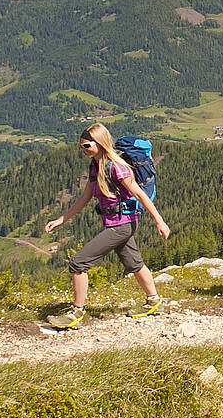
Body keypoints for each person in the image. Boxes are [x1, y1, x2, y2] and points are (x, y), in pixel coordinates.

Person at [42, 123, 170, 328]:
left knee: (78, 263)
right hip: (118, 223)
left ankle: (76, 312)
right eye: (81, 146)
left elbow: (139, 193)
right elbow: (86, 197)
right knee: (134, 263)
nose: (83, 150)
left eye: (86, 145)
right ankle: (153, 301)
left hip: (122, 225)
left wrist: (159, 220)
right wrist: (62, 219)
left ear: (99, 143)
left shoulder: (116, 167)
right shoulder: (95, 165)